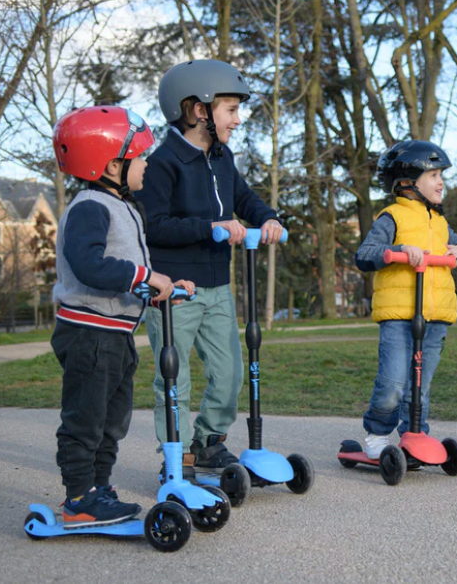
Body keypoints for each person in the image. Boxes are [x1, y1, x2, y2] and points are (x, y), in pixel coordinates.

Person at [136, 59, 283, 477]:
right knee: (174, 379)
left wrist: (267, 217)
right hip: (175, 291)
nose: (237, 120)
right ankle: (176, 457)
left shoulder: (222, 156)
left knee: (230, 373)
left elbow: (245, 197)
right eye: (230, 110)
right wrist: (211, 227)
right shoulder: (162, 163)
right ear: (199, 110)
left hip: (218, 286)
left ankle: (208, 442)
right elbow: (154, 226)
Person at [50, 106, 193, 525]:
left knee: (112, 421)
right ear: (112, 164)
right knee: (86, 419)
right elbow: (90, 266)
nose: (146, 164)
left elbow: (122, 273)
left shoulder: (121, 205)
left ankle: (100, 489)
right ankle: (78, 497)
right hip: (89, 334)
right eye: (140, 156)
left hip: (115, 334)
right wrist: (143, 276)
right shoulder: (90, 207)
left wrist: (155, 291)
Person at [354, 140, 457, 459]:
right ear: (407, 181)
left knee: (420, 385)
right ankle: (377, 435)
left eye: (441, 175)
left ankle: (414, 434)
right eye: (434, 175)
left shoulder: (440, 221)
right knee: (393, 382)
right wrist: (398, 252)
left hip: (436, 318)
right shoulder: (391, 217)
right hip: (399, 316)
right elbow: (364, 255)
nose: (441, 182)